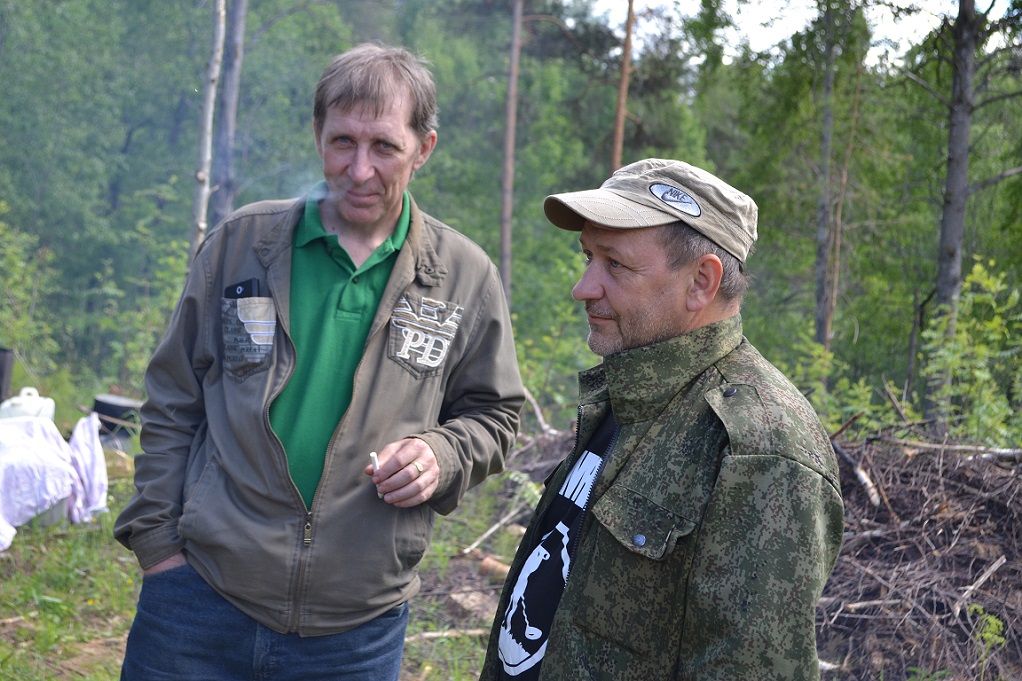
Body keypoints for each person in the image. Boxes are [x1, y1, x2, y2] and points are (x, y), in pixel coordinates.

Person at [114, 42, 525, 680]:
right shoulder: (242, 246)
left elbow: (495, 416)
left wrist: (441, 455)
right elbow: (173, 399)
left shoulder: (462, 277)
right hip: (198, 604)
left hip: (356, 632)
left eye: (384, 146)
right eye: (343, 142)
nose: (359, 170)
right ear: (317, 135)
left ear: (424, 148)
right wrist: (158, 547)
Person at [479, 159, 844, 680]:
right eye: (588, 257)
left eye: (615, 264)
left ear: (701, 282)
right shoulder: (630, 396)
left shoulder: (760, 449)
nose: (583, 287)